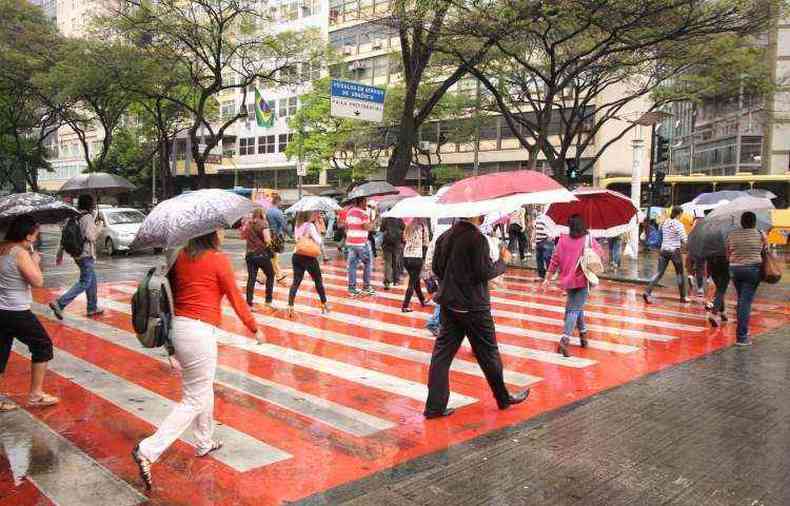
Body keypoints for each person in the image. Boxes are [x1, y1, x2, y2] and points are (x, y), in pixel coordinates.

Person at [132, 229, 259, 490]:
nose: (224, 233)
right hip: (199, 333)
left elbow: (169, 301)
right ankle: (148, 449)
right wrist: (255, 327)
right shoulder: (218, 260)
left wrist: (170, 348)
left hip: (179, 330)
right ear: (212, 234)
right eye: (221, 230)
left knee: (202, 388)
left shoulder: (179, 258)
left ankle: (203, 441)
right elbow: (236, 297)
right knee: (194, 397)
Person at [424, 216, 530, 419]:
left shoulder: (445, 236)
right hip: (474, 307)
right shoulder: (477, 239)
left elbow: (437, 268)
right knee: (488, 353)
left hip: (449, 304)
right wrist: (502, 261)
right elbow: (484, 272)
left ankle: (434, 407)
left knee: (441, 356)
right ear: (476, 216)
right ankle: (503, 397)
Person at [0, 216, 58, 411]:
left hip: (1, 310)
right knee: (42, 345)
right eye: (36, 233)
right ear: (28, 234)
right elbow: (37, 282)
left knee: (1, 352)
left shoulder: (2, 248)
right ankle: (36, 395)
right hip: (16, 311)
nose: (37, 237)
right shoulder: (20, 253)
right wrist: (34, 261)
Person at [543, 215, 603, 357]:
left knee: (576, 307)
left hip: (568, 281)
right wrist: (591, 248)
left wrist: (547, 278)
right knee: (573, 310)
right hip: (583, 279)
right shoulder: (588, 239)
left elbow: (554, 260)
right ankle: (565, 340)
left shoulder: (562, 240)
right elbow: (601, 253)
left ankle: (583, 336)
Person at [50, 194, 104, 320]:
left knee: (92, 280)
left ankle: (92, 307)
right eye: (93, 203)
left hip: (76, 254)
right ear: (90, 205)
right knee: (85, 282)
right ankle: (60, 303)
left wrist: (60, 253)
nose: (94, 205)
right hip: (85, 254)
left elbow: (65, 235)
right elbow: (92, 237)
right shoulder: (88, 217)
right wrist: (100, 226)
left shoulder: (74, 216)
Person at [726, 211, 765, 346]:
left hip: (735, 270)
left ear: (742, 222)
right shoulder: (759, 233)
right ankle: (741, 337)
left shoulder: (732, 234)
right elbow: (765, 249)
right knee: (745, 302)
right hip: (752, 270)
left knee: (741, 299)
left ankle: (743, 332)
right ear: (754, 222)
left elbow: (727, 253)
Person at [287, 212, 329, 317]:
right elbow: (319, 241)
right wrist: (318, 231)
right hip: (308, 256)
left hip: (297, 255)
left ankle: (290, 306)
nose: (315, 214)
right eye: (313, 213)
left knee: (296, 282)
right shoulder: (310, 226)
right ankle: (324, 304)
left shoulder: (297, 225)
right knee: (318, 280)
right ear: (308, 215)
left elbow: (297, 239)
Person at [643, 207, 689, 304]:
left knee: (659, 273)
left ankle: (647, 292)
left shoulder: (665, 222)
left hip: (664, 250)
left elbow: (661, 234)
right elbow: (685, 239)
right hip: (674, 252)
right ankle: (683, 297)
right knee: (680, 274)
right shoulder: (679, 225)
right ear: (679, 214)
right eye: (681, 214)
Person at [244, 209, 275, 311]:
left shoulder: (248, 224)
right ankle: (268, 301)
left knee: (251, 278)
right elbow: (267, 240)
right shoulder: (263, 223)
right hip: (261, 254)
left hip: (249, 254)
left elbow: (243, 236)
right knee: (270, 275)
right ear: (261, 214)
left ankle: (249, 304)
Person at [345, 197, 375, 297]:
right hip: (361, 242)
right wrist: (373, 220)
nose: (366, 203)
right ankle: (366, 286)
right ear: (361, 202)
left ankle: (352, 288)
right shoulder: (363, 213)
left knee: (352, 266)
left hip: (351, 242)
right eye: (365, 201)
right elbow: (368, 227)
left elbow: (346, 226)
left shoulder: (349, 212)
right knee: (368, 263)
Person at [401, 218, 429, 312]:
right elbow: (426, 242)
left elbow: (404, 238)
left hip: (406, 257)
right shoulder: (423, 225)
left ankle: (422, 300)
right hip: (416, 257)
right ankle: (405, 306)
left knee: (415, 279)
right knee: (412, 282)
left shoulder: (408, 224)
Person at [266, 194, 288, 286]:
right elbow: (283, 225)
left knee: (272, 256)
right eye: (281, 202)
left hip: (270, 235)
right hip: (277, 236)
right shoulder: (278, 212)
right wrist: (290, 235)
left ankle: (266, 276)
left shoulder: (268, 211)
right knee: (274, 256)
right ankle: (278, 276)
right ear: (277, 201)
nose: (281, 203)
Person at [705, 254, 730, 327]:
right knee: (721, 289)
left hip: (712, 261)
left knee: (719, 288)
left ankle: (723, 312)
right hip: (724, 261)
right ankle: (713, 313)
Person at [381, 216, 405, 289]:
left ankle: (387, 282)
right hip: (397, 243)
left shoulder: (385, 219)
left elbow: (381, 229)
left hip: (387, 243)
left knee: (387, 262)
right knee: (395, 262)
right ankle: (395, 280)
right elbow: (403, 228)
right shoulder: (400, 219)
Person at [534, 211, 555, 279]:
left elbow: (554, 228)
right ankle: (541, 275)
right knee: (539, 259)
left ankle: (549, 275)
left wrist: (551, 237)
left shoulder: (549, 218)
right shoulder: (537, 218)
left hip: (546, 240)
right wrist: (533, 238)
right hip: (538, 241)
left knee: (547, 258)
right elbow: (535, 228)